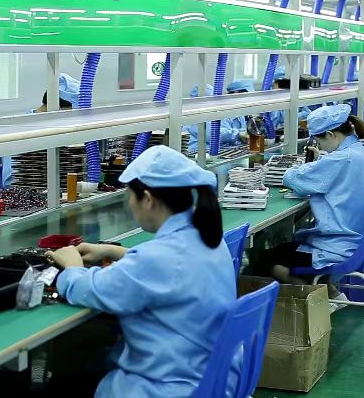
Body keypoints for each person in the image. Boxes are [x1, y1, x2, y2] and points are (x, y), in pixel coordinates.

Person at [45, 145, 237, 398]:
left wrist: (71, 265)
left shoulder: (157, 260)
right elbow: (171, 266)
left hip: (166, 389)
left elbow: (86, 289)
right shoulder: (209, 239)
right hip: (210, 380)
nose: (130, 204)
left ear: (147, 199)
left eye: (130, 196)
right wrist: (113, 251)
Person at [253, 104, 364, 310]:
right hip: (358, 243)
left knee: (264, 259)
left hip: (336, 247)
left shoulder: (341, 159)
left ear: (330, 134)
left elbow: (296, 180)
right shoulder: (361, 152)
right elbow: (333, 171)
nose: (321, 146)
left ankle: (319, 301)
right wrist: (320, 161)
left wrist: (290, 169)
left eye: (319, 141)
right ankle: (330, 292)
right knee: (285, 249)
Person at [1, 73, 79, 187]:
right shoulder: (20, 131)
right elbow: (10, 182)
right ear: (56, 107)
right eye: (69, 115)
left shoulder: (57, 128)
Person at [183, 80, 252, 153]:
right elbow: (212, 134)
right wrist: (237, 134)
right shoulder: (195, 116)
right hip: (197, 153)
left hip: (216, 150)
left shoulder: (237, 112)